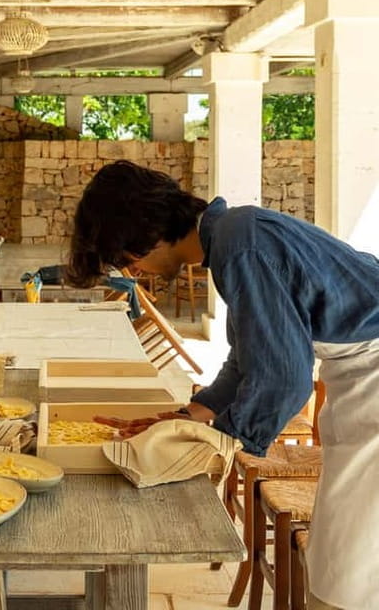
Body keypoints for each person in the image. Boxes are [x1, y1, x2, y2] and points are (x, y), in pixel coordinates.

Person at [67, 159, 379, 610]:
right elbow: (250, 358)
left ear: (146, 236)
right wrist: (190, 415)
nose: (136, 273)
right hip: (359, 375)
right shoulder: (236, 235)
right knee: (342, 560)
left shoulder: (240, 245)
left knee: (349, 575)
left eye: (126, 260)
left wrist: (220, 443)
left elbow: (284, 377)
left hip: (371, 375)